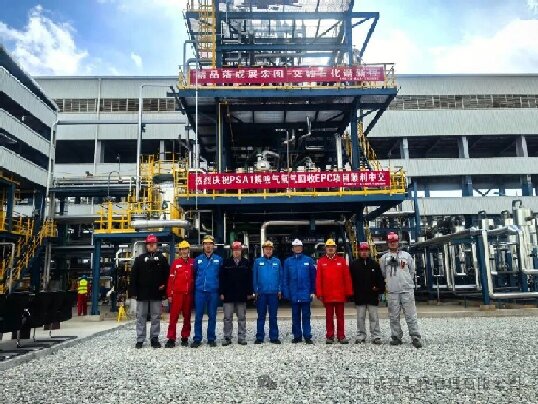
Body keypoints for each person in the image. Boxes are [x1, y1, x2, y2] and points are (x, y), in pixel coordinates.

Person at [380, 232, 422, 348]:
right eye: (391, 242)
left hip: (406, 290)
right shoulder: (384, 258)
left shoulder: (407, 256)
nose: (393, 243)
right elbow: (383, 273)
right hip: (393, 291)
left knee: (411, 315)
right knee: (393, 316)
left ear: (398, 242)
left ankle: (415, 337)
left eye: (395, 241)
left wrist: (406, 281)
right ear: (388, 243)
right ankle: (396, 337)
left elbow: (412, 271)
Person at [129, 234, 169, 349]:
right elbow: (133, 276)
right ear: (146, 245)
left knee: (155, 317)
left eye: (153, 244)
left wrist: (164, 287)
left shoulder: (162, 259)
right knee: (141, 316)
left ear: (156, 245)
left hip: (156, 293)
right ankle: (140, 339)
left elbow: (167, 275)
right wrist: (133, 292)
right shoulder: (140, 259)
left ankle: (154, 338)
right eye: (149, 244)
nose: (151, 246)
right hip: (142, 293)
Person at [316, 238, 352, 344]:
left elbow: (346, 277)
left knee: (340, 317)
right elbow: (318, 279)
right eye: (328, 247)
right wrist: (319, 293)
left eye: (332, 247)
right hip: (327, 295)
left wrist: (348, 292)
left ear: (335, 248)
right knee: (329, 317)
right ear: (325, 249)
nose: (330, 249)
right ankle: (330, 336)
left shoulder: (341, 261)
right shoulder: (321, 262)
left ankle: (341, 336)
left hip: (340, 294)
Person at [349, 242, 385, 344]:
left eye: (366, 250)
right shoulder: (354, 265)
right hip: (359, 295)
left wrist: (379, 289)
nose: (364, 252)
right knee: (360, 317)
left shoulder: (374, 264)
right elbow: (350, 280)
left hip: (372, 295)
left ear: (369, 251)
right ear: (358, 252)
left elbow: (380, 278)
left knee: (374, 317)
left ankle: (376, 336)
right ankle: (361, 335)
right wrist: (351, 293)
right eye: (362, 250)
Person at [283, 238, 316, 344]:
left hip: (306, 293)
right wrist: (286, 292)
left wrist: (312, 291)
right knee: (295, 316)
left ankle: (307, 336)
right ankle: (297, 336)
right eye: (295, 247)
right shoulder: (288, 262)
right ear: (292, 249)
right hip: (294, 294)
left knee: (306, 316)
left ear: (302, 248)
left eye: (299, 246)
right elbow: (285, 278)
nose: (297, 248)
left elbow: (313, 277)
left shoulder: (309, 260)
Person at [191, 235, 222, 348]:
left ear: (213, 246)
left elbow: (221, 276)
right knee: (198, 316)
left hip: (213, 291)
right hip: (200, 292)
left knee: (212, 316)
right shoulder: (198, 259)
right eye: (206, 244)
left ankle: (211, 338)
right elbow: (194, 273)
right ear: (203, 246)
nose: (208, 246)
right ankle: (197, 338)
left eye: (210, 244)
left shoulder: (219, 260)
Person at [219, 241, 252, 346]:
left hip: (241, 294)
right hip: (228, 295)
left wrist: (249, 292)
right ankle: (227, 337)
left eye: (238, 250)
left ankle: (242, 337)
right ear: (232, 251)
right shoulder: (226, 263)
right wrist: (221, 292)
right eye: (234, 250)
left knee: (242, 317)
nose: (236, 252)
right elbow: (221, 279)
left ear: (241, 251)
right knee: (227, 318)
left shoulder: (246, 263)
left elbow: (249, 279)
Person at [165, 240, 195, 348]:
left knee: (187, 317)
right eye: (182, 249)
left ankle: (185, 337)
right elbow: (171, 279)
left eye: (185, 249)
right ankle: (171, 338)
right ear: (179, 251)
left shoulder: (193, 262)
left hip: (188, 294)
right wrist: (169, 294)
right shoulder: (175, 263)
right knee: (173, 317)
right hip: (177, 294)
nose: (184, 251)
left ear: (188, 250)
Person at [253, 240, 283, 344]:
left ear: (272, 250)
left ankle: (274, 337)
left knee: (273, 316)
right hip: (261, 293)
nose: (268, 251)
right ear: (263, 250)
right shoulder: (257, 262)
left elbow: (280, 277)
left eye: (270, 249)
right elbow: (254, 277)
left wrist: (280, 289)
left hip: (274, 293)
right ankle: (259, 337)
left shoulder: (277, 262)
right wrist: (255, 290)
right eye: (266, 249)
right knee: (261, 316)